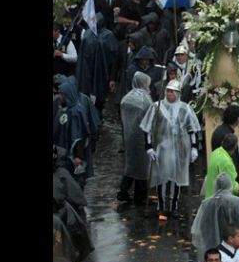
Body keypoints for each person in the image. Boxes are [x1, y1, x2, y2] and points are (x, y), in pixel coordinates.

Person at [140, 79, 201, 217]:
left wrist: (194, 148)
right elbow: (148, 129)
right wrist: (149, 147)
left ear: (178, 93)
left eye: (172, 92)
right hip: (163, 146)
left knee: (176, 177)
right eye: (168, 91)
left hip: (180, 148)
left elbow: (192, 129)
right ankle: (161, 205)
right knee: (162, 176)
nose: (169, 94)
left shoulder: (185, 109)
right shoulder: (156, 107)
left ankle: (173, 205)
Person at [192, 174, 239, 262]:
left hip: (212, 251)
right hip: (233, 250)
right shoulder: (237, 202)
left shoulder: (206, 204)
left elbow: (202, 228)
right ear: (230, 185)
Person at [54, 81, 101, 187]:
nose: (59, 96)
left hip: (73, 156)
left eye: (61, 94)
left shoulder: (76, 112)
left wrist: (78, 156)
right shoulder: (68, 109)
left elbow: (78, 135)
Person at [117, 72, 153, 205]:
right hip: (141, 137)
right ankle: (140, 195)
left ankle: (123, 190)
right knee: (142, 167)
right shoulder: (146, 100)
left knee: (131, 164)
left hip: (128, 135)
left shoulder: (127, 98)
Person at [75, 13, 118, 112]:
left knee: (99, 99)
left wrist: (112, 78)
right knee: (85, 97)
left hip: (101, 71)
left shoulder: (109, 35)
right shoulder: (87, 34)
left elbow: (114, 58)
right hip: (87, 70)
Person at [211, 105, 239, 183]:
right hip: (227, 179)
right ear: (237, 119)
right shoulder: (227, 135)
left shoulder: (219, 130)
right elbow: (232, 159)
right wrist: (238, 180)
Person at [205, 133, 239, 198]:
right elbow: (231, 186)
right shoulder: (226, 162)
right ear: (235, 147)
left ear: (222, 142)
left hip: (210, 196)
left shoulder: (215, 152)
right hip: (219, 201)